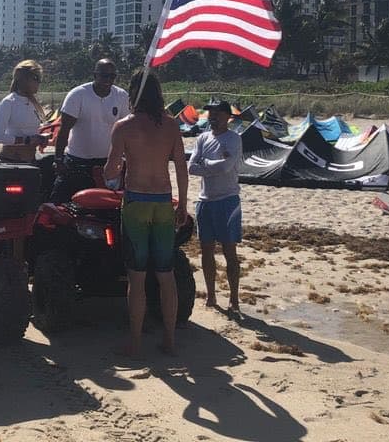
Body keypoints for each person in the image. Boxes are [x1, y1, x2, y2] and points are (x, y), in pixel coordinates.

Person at [104, 70, 188, 358]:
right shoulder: (171, 126)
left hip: (137, 202)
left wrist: (114, 168)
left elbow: (111, 171)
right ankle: (169, 340)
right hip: (164, 201)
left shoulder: (123, 127)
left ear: (133, 95)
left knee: (137, 278)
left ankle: (136, 342)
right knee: (166, 275)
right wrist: (184, 204)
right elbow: (180, 167)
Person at [188, 100, 244, 312]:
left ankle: (234, 299)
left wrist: (207, 164)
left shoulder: (234, 138)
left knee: (230, 251)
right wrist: (214, 164)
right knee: (206, 250)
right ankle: (211, 296)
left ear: (227, 116)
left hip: (227, 200)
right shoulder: (202, 138)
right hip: (205, 200)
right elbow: (192, 167)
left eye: (218, 113)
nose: (213, 117)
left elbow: (227, 166)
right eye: (211, 113)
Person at [51, 58, 129, 203]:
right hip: (77, 161)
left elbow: (125, 130)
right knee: (60, 203)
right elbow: (64, 130)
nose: (108, 80)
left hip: (108, 163)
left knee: (108, 208)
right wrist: (58, 159)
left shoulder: (121, 96)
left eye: (112, 76)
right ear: (95, 75)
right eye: (104, 75)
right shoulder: (78, 95)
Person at [0, 60, 48, 163]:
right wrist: (26, 140)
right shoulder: (9, 102)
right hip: (11, 161)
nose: (39, 82)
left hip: (31, 161)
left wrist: (41, 139)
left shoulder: (33, 103)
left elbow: (30, 130)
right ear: (24, 80)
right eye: (36, 78)